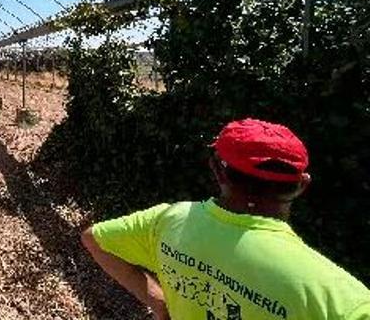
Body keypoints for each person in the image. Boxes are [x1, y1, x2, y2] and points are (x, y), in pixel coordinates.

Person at [81, 118, 370, 320]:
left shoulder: (169, 220)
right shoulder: (345, 299)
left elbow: (94, 239)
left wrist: (160, 304)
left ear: (217, 171)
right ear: (302, 184)